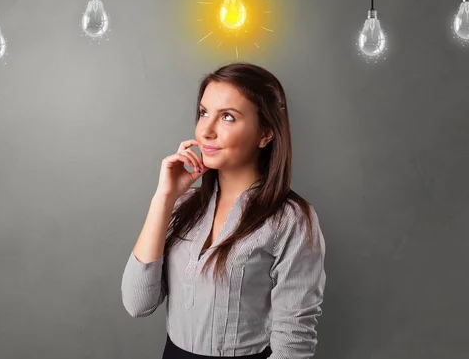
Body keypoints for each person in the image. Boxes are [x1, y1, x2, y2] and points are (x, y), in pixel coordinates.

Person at [121, 62, 327, 358]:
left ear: (265, 134)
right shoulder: (183, 206)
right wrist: (164, 198)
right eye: (204, 112)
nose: (206, 130)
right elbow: (138, 303)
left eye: (227, 117)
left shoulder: (291, 220)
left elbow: (294, 339)